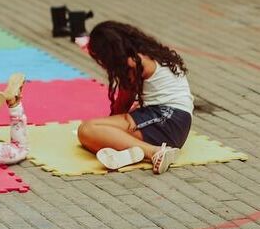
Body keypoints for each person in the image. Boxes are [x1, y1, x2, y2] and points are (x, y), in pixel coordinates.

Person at [77, 21, 193, 174]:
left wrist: (110, 127)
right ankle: (129, 154)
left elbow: (123, 103)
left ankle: (155, 152)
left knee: (88, 130)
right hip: (173, 120)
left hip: (168, 121)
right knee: (92, 138)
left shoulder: (133, 63)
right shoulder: (147, 52)